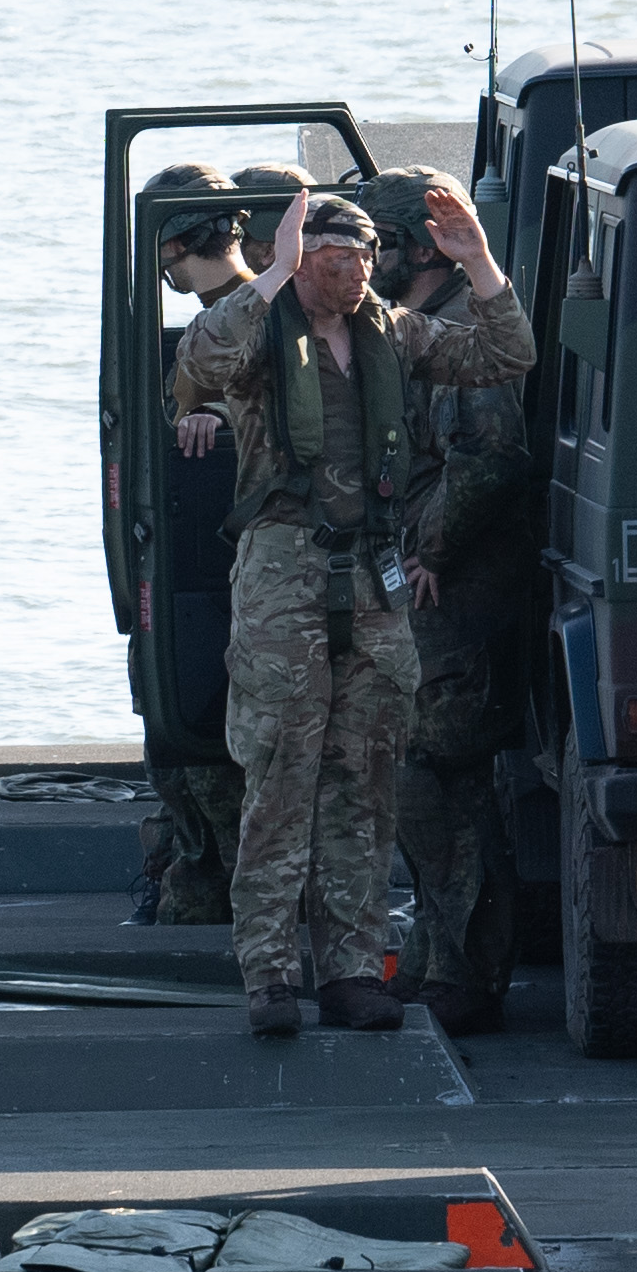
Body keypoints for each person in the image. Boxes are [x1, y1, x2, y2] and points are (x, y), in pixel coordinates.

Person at [171, 178, 531, 1035]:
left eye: (365, 256)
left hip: (372, 579)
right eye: (337, 259)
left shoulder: (393, 335)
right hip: (282, 575)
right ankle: (269, 973)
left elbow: (504, 356)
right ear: (304, 264)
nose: (357, 274)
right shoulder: (263, 335)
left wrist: (478, 262)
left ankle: (353, 970)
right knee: (280, 777)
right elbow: (196, 365)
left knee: (366, 784)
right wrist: (269, 276)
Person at [378, 170, 543, 1031]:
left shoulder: (462, 335)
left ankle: (469, 974)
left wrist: (429, 547)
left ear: (413, 247)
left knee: (448, 779)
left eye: (378, 244)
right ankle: (447, 959)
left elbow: (489, 462)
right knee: (422, 778)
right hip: (430, 584)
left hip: (461, 593)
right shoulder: (418, 332)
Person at [133, 168, 258, 925]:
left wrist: (227, 429)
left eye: (164, 248)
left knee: (217, 751)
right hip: (210, 567)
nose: (162, 266)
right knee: (182, 742)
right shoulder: (229, 317)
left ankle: (237, 898)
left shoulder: (260, 315)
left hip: (257, 572)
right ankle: (202, 879)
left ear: (180, 240)